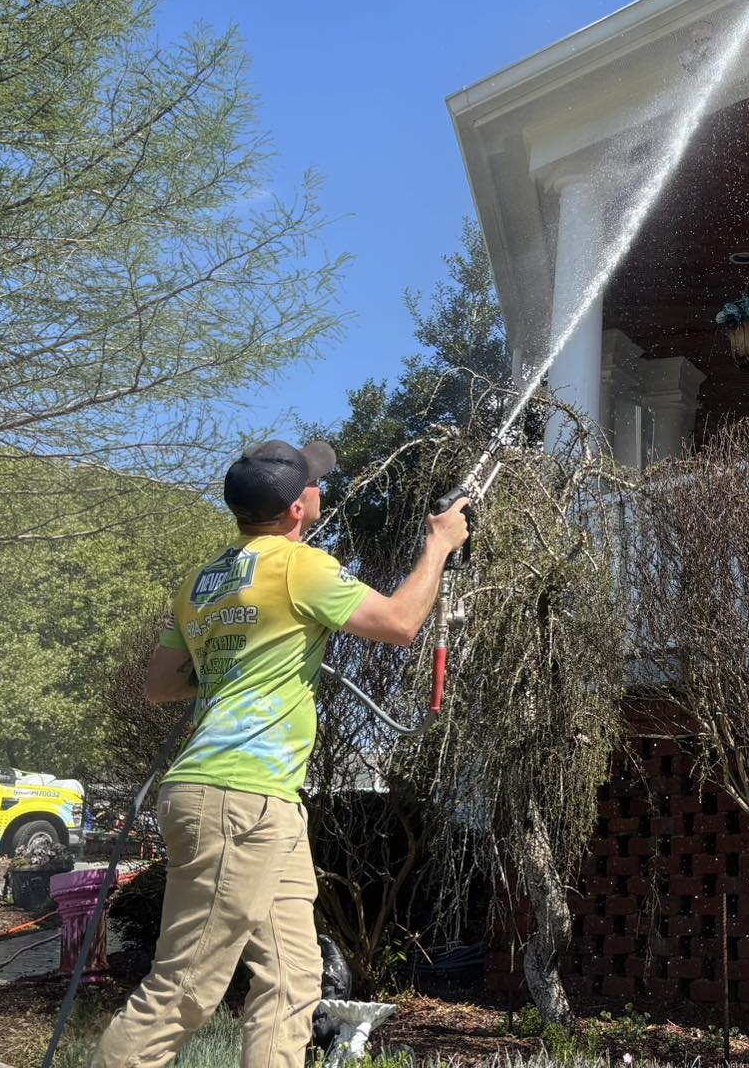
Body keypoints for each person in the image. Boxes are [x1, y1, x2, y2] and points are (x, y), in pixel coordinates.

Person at [92, 438, 469, 1068]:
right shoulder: (302, 566)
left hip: (250, 801)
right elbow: (403, 623)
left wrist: (233, 665)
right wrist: (439, 543)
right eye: (315, 484)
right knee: (185, 988)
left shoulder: (203, 580)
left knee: (294, 980)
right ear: (298, 508)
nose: (322, 490)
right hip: (240, 799)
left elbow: (160, 686)